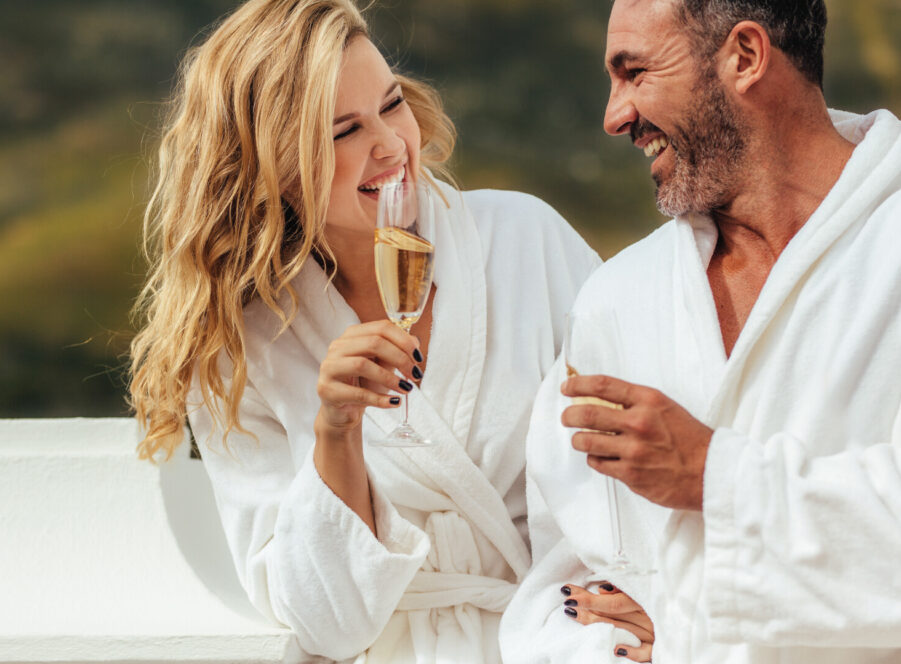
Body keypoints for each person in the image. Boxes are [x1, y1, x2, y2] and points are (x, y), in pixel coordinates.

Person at [128, 0, 601, 661]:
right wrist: (336, 429)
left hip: (556, 638)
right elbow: (326, 621)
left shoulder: (527, 240)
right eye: (343, 130)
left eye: (390, 104)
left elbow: (636, 444)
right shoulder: (245, 351)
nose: (389, 144)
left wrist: (645, 589)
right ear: (273, 165)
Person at [500, 0, 901, 662]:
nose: (613, 117)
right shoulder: (618, 300)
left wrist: (711, 474)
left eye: (633, 72)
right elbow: (563, 580)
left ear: (744, 56)